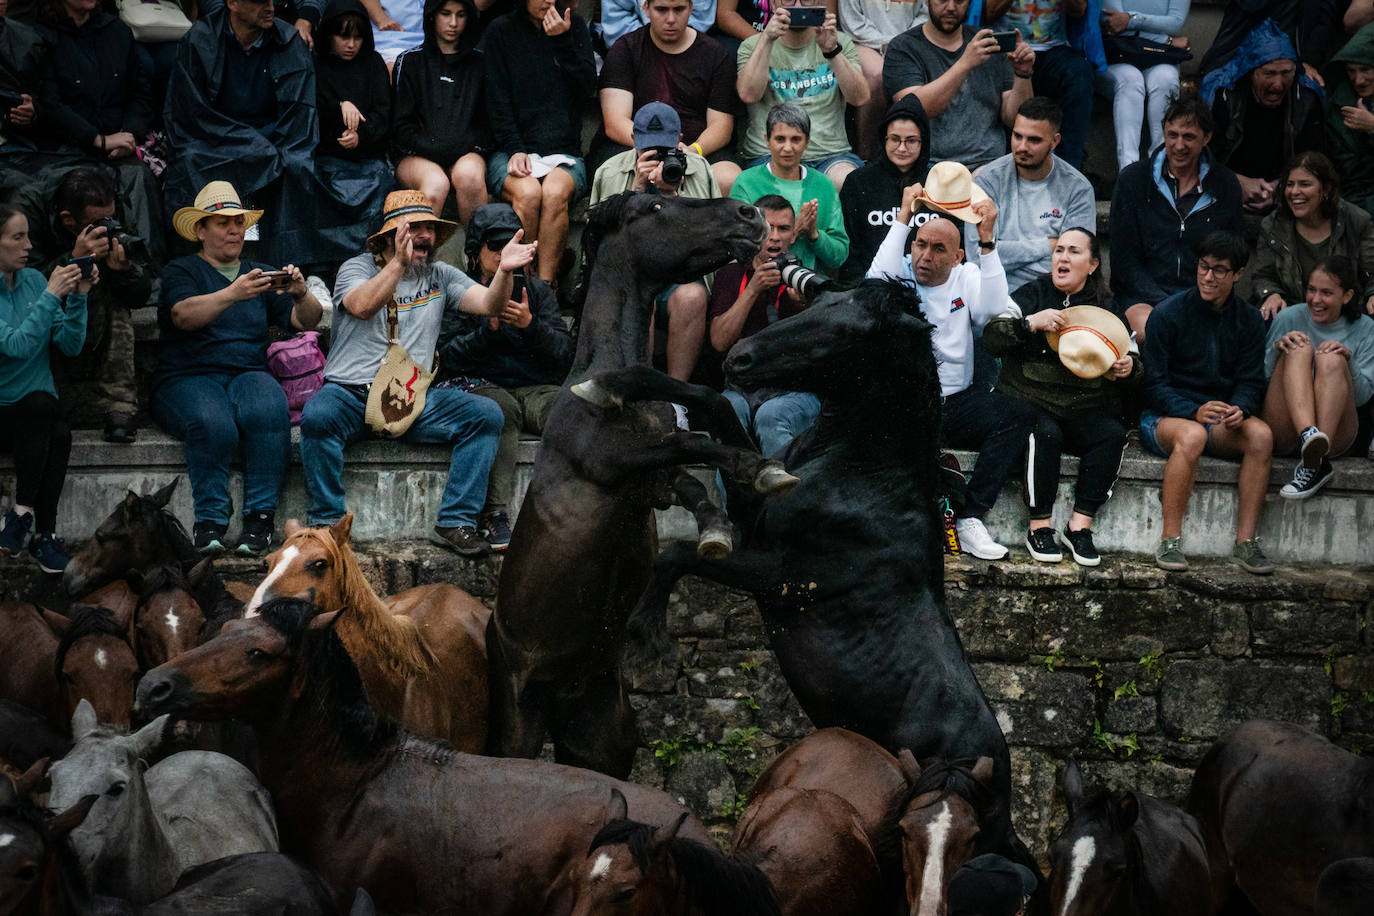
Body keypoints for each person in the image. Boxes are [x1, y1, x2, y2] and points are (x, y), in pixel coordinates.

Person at [300, 191, 536, 556]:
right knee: (317, 417)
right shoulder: (356, 268)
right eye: (413, 229)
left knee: (487, 414)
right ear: (388, 237)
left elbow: (490, 303)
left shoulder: (440, 274)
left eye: (429, 229)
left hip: (410, 399)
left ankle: (456, 521)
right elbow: (362, 306)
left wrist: (504, 271)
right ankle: (328, 525)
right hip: (350, 394)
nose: (424, 236)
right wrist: (397, 263)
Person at [868, 163, 1037, 561]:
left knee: (1016, 415)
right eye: (920, 244)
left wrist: (988, 242)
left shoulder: (968, 275)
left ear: (957, 255)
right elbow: (872, 285)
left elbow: (997, 310)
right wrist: (904, 218)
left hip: (953, 403)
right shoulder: (899, 273)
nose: (924, 256)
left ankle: (971, 516)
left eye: (938, 248)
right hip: (903, 404)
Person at [151, 181, 323, 556]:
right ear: (200, 229)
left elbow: (306, 320)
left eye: (239, 222)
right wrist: (233, 293)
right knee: (213, 422)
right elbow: (182, 315)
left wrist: (300, 292)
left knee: (269, 408)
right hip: (187, 376)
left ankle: (260, 519)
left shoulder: (258, 272)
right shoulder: (182, 270)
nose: (233, 230)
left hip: (247, 372)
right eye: (222, 222)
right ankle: (210, 521)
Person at [162, 0, 363, 268]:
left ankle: (291, 268)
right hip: (216, 138)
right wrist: (249, 144)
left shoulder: (288, 40)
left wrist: (265, 144)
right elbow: (192, 111)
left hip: (274, 138)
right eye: (259, 1)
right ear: (232, 3)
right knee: (189, 161)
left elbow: (298, 113)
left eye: (272, 0)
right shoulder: (200, 39)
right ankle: (194, 266)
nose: (269, 7)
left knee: (296, 164)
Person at [983, 228, 1138, 567]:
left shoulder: (1107, 307)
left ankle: (1079, 526)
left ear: (1093, 264)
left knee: (1111, 435)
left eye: (1074, 252)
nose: (1063, 257)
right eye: (1059, 251)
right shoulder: (1033, 294)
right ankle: (1039, 526)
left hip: (1084, 406)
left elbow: (1134, 357)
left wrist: (1128, 366)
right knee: (1045, 433)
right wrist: (1029, 324)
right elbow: (992, 337)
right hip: (1031, 399)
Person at [437, 203, 573, 550]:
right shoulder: (462, 289)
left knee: (570, 409)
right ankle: (494, 513)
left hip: (535, 387)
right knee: (502, 412)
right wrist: (488, 332)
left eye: (511, 246)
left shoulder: (538, 292)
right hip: (481, 385)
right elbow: (447, 357)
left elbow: (563, 355)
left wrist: (530, 326)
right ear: (475, 252)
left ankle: (570, 507)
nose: (503, 255)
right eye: (494, 247)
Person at [1141, 231, 1275, 575]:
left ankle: (1246, 542)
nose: (1208, 276)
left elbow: (1250, 380)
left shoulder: (1248, 320)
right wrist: (1191, 410)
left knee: (1260, 435)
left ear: (1238, 274)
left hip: (1218, 419)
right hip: (1164, 418)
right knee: (1192, 435)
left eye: (1219, 270)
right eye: (1203, 267)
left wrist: (1240, 408)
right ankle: (1170, 541)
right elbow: (1153, 385)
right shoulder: (1168, 314)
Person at [12, 166, 149, 443]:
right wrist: (73, 259)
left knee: (117, 300)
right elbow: (21, 285)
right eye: (98, 222)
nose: (107, 225)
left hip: (95, 296)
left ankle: (119, 407)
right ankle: (51, 397)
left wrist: (124, 271)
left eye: (111, 218)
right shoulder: (28, 208)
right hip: (40, 304)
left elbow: (142, 293)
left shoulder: (114, 205)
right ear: (67, 220)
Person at [591, 102, 717, 386]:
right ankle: (642, 390)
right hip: (629, 279)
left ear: (680, 141)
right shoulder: (609, 172)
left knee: (692, 297)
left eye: (664, 148)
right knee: (638, 298)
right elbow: (601, 242)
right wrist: (635, 191)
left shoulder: (700, 169)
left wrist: (671, 194)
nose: (657, 156)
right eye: (649, 148)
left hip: (679, 276)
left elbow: (707, 238)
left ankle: (676, 397)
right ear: (633, 139)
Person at [34, 0, 163, 263]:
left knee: (139, 178)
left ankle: (147, 278)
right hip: (63, 149)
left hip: (118, 143)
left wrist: (128, 134)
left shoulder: (117, 32)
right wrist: (96, 139)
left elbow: (140, 94)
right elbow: (49, 105)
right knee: (74, 190)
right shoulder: (39, 35)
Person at [1109, 93, 1244, 344]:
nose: (1179, 145)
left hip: (1204, 296)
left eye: (1189, 137)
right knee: (1156, 333)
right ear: (1164, 132)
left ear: (1207, 138)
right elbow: (1123, 262)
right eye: (1173, 135)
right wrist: (1168, 305)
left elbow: (1231, 254)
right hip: (1143, 297)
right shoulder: (1134, 180)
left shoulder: (1225, 185)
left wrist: (1197, 300)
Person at [0, 203, 90, 573]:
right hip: (4, 412)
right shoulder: (44, 287)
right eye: (17, 237)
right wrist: (53, 294)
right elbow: (17, 346)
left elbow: (69, 345)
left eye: (28, 236)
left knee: (59, 429)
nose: (28, 245)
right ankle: (30, 521)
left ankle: (37, 531)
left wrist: (79, 296)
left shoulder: (35, 281)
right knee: (42, 408)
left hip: (38, 416)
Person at [483, 0, 597, 284]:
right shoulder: (501, 30)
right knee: (529, 193)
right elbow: (496, 100)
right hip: (511, 148)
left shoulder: (575, 26)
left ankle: (544, 289)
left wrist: (561, 41)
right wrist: (515, 147)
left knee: (555, 192)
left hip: (564, 151)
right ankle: (520, 282)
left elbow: (587, 89)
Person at [707, 194, 819, 455]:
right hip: (741, 386)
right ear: (754, 232)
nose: (775, 237)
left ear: (794, 235)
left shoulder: (805, 279)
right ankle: (730, 496)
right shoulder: (731, 274)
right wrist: (752, 290)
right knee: (727, 411)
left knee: (771, 416)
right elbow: (719, 341)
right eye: (768, 229)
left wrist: (805, 308)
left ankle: (784, 496)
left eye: (784, 229)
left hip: (792, 390)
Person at [597, 0, 739, 193]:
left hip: (694, 146)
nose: (671, 19)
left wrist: (692, 151)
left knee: (728, 177)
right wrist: (653, 149)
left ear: (691, 8)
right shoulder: (625, 49)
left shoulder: (715, 55)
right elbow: (614, 122)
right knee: (612, 173)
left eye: (678, 9)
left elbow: (721, 126)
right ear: (646, 8)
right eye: (661, 10)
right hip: (634, 145)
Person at [1263, 256, 1374, 499]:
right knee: (1298, 347)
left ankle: (1315, 460)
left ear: (1347, 296)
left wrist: (1349, 361)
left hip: (1334, 436)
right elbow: (1262, 380)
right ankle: (1308, 436)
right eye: (1311, 290)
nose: (1315, 299)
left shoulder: (1366, 328)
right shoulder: (1288, 317)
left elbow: (1363, 397)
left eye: (1326, 293)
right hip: (1284, 429)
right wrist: (1276, 350)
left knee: (1331, 357)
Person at [883, 0, 1036, 171]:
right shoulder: (904, 47)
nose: (951, 7)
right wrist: (965, 64)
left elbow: (1014, 119)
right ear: (927, 1)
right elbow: (913, 109)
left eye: (959, 1)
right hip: (931, 166)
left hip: (991, 165)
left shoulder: (988, 44)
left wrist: (1022, 74)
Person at [966, 96, 1095, 293]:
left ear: (1054, 142)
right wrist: (1047, 246)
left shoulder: (1077, 189)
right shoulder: (986, 181)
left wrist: (1002, 251)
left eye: (1034, 140)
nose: (1022, 147)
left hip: (1053, 297)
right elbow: (978, 258)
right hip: (998, 295)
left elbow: (1074, 266)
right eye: (1017, 136)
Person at [736, 0, 869, 189]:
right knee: (780, 187)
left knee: (847, 179)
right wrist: (766, 39)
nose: (797, 6)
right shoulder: (753, 46)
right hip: (770, 154)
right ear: (774, 4)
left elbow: (859, 97)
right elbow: (749, 94)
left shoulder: (839, 41)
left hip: (830, 156)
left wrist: (831, 51)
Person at [1201, 20, 1326, 216]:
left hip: (1287, 189)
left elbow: (1316, 158)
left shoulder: (1306, 97)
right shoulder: (1223, 94)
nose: (1278, 84)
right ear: (1251, 72)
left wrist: (1282, 188)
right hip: (1227, 187)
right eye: (1269, 73)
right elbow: (1200, 157)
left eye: (1286, 73)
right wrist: (1234, 181)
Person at [391, 0, 490, 227]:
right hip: (416, 155)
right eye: (446, 14)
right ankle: (419, 259)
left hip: (465, 152)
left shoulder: (479, 63)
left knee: (470, 177)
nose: (453, 23)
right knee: (436, 184)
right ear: (432, 16)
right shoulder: (409, 61)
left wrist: (459, 147)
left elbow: (486, 125)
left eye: (461, 15)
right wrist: (436, 148)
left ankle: (475, 256)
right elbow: (400, 128)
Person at [1250, 152, 1374, 320]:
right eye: (1289, 184)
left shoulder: (1356, 220)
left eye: (1305, 184)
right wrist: (1272, 294)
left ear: (1326, 189)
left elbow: (1371, 272)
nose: (1294, 192)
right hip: (1292, 313)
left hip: (1344, 314)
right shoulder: (1273, 224)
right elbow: (1263, 275)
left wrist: (1372, 294)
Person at [730, 102, 849, 273]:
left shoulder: (824, 186)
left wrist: (814, 234)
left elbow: (839, 256)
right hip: (759, 281)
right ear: (767, 140)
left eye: (796, 139)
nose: (787, 148)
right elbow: (738, 246)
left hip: (810, 286)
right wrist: (793, 232)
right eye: (780, 139)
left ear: (807, 142)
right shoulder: (746, 183)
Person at [313, 0, 392, 255]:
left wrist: (361, 137)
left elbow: (383, 115)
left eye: (358, 37)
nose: (351, 44)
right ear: (329, 34)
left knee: (380, 179)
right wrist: (339, 107)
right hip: (328, 157)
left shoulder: (374, 64)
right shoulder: (317, 66)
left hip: (368, 157)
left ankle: (366, 254)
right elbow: (311, 110)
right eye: (343, 36)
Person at [985, 0, 1101, 169]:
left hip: (1053, 50)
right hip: (1007, 48)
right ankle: (1008, 170)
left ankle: (1070, 169)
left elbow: (1079, 10)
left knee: (1080, 73)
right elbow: (988, 14)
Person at [838, 94, 931, 282]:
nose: (902, 148)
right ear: (884, 139)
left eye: (911, 140)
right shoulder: (859, 182)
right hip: (871, 286)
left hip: (929, 286)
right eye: (895, 139)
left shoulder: (938, 182)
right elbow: (851, 253)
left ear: (924, 141)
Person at [1099, 0, 1190, 171]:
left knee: (1166, 80)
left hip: (1159, 57)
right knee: (1131, 81)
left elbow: (1175, 23)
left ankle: (1160, 168)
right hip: (1117, 55)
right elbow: (1115, 24)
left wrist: (1132, 19)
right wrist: (1167, 41)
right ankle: (1128, 171)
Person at [837, 0, 927, 159]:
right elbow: (852, 23)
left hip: (909, 42)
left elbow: (925, 14)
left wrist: (900, 44)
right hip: (862, 42)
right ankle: (867, 154)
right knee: (878, 74)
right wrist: (891, 45)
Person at [1327, 23, 1374, 220]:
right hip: (1353, 202)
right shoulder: (1340, 105)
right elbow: (1347, 170)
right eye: (1351, 71)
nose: (1358, 80)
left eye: (1365, 69)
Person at [600, 0, 716, 51]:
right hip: (635, 52)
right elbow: (617, 25)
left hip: (688, 49)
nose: (670, 19)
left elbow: (700, 18)